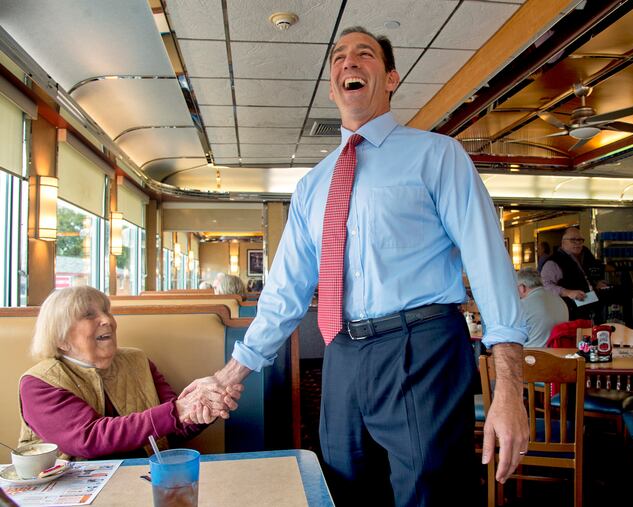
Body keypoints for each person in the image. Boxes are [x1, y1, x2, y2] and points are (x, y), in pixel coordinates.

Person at [179, 26, 527, 506]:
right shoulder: (311, 187)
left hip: (422, 347)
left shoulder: (436, 155)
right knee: (342, 484)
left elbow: (489, 264)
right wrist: (229, 376)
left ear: (390, 78)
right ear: (331, 86)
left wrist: (510, 389)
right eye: (339, 57)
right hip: (342, 352)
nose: (349, 62)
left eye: (364, 55)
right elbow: (284, 294)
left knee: (429, 492)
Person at [17, 286, 240, 460]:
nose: (107, 320)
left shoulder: (138, 361)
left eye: (106, 311)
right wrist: (180, 409)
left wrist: (204, 410)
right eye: (88, 315)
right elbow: (89, 439)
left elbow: (171, 430)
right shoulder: (38, 383)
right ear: (60, 338)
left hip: (144, 478)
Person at [540, 227, 607, 320]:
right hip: (568, 315)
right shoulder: (554, 262)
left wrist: (595, 285)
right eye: (573, 240)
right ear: (563, 242)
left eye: (580, 240)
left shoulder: (582, 256)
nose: (577, 243)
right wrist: (567, 292)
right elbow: (545, 286)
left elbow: (583, 279)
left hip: (586, 311)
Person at [516, 268, 568, 347]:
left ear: (522, 287)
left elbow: (513, 337)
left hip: (533, 356)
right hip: (558, 354)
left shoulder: (522, 305)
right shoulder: (559, 300)